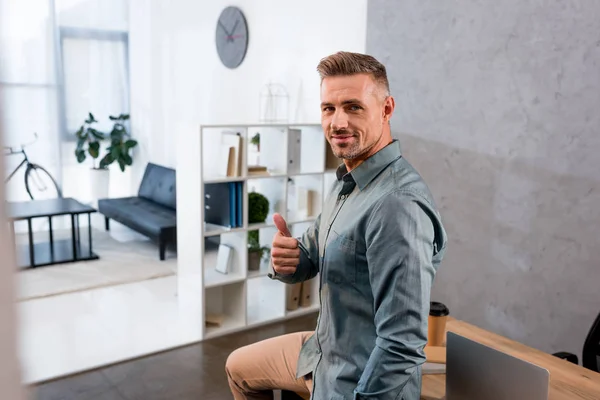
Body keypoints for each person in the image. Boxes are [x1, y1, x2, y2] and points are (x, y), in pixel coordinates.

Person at [226, 51, 447, 400]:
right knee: (239, 367)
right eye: (328, 108)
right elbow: (312, 253)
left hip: (357, 382)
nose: (337, 122)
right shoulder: (348, 178)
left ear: (387, 109)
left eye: (353, 107)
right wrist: (289, 259)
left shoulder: (396, 205)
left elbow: (402, 344)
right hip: (322, 353)